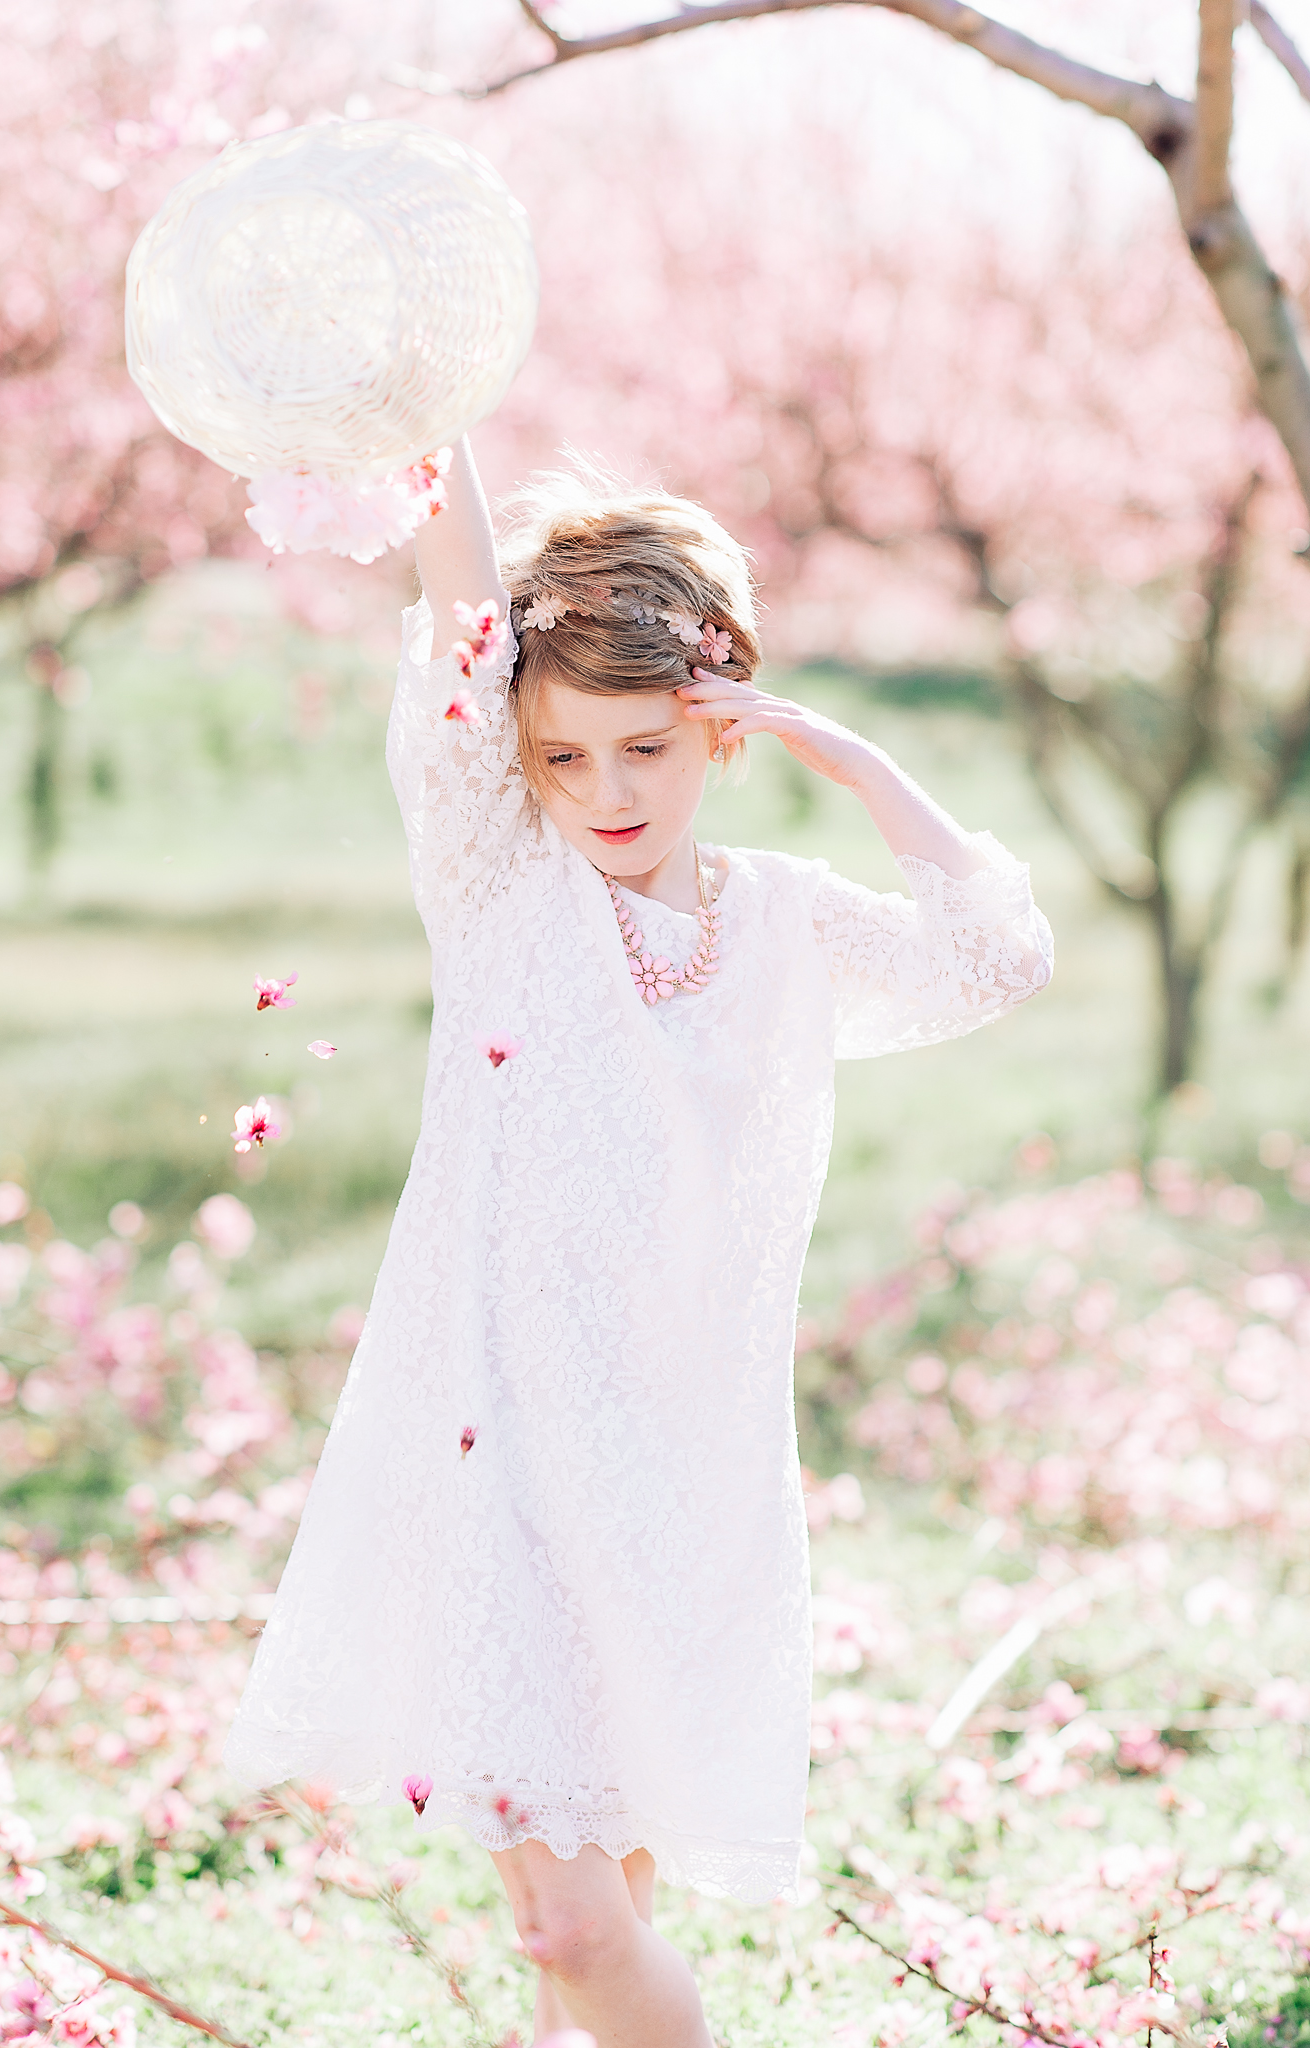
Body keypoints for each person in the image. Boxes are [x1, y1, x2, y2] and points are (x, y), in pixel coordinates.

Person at [224, 438, 1053, 2047]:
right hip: (505, 1465)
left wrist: (842, 756)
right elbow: (464, 623)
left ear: (717, 720)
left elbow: (997, 955)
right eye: (564, 758)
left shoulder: (787, 925)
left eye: (648, 748)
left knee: (594, 1948)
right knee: (569, 1926)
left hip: (681, 1486)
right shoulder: (501, 887)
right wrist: (429, 401)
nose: (604, 792)